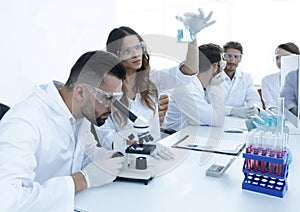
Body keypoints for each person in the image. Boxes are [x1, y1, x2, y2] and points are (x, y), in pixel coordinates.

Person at [0, 51, 128, 211]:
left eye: (116, 99)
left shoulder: (78, 113)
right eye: (107, 98)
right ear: (80, 92)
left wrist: (126, 159)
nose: (112, 108)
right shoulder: (24, 123)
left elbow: (86, 156)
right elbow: (7, 201)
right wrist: (81, 180)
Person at [96, 8, 215, 150]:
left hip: (156, 155)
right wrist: (137, 147)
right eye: (127, 51)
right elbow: (107, 138)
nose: (136, 54)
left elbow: (188, 72)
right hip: (123, 159)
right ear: (115, 56)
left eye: (138, 47)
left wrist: (192, 36)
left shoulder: (151, 79)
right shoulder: (105, 90)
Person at [164, 43, 225, 131]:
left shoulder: (204, 86)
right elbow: (217, 120)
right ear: (215, 66)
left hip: (192, 134)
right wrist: (216, 86)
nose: (223, 69)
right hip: (176, 139)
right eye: (223, 64)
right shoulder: (187, 89)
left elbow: (217, 112)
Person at [220, 41, 262, 118]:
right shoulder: (213, 77)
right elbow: (208, 105)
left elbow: (254, 99)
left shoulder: (246, 78)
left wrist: (254, 108)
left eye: (236, 57)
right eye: (229, 56)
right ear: (223, 57)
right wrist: (232, 111)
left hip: (239, 121)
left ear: (240, 59)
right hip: (216, 119)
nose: (232, 61)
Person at [262, 42, 300, 110]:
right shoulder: (267, 80)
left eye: (285, 57)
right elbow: (270, 105)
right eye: (277, 58)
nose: (280, 61)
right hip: (279, 118)